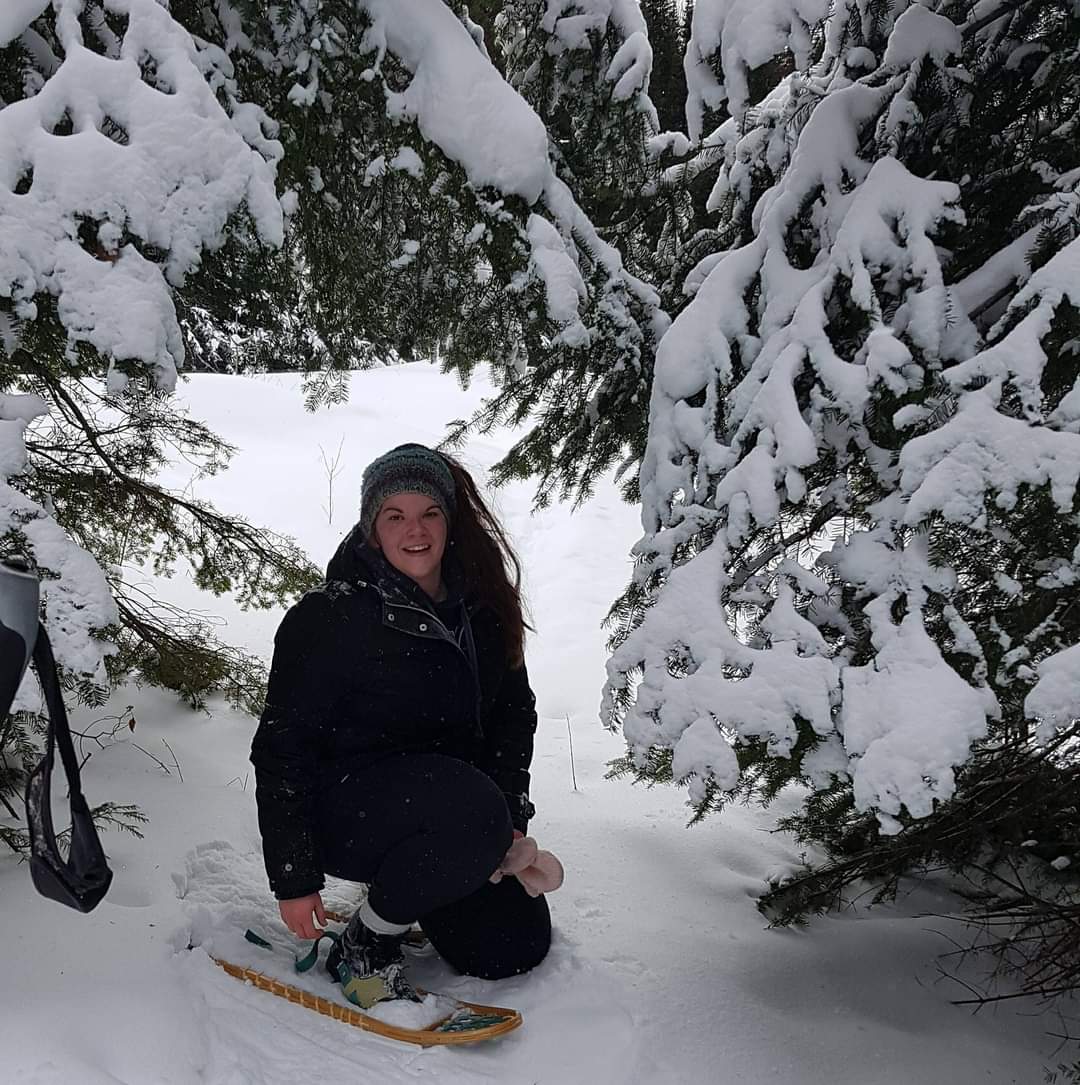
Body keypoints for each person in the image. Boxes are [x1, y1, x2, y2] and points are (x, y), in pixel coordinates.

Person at [250, 443, 556, 1008]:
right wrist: (294, 880)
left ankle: (408, 886)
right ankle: (364, 946)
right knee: (470, 812)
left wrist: (507, 821)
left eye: (429, 514)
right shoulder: (331, 617)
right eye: (395, 516)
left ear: (448, 520)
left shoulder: (482, 610)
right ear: (372, 528)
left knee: (513, 945)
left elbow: (515, 715)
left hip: (448, 817)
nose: (414, 530)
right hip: (343, 813)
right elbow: (281, 751)